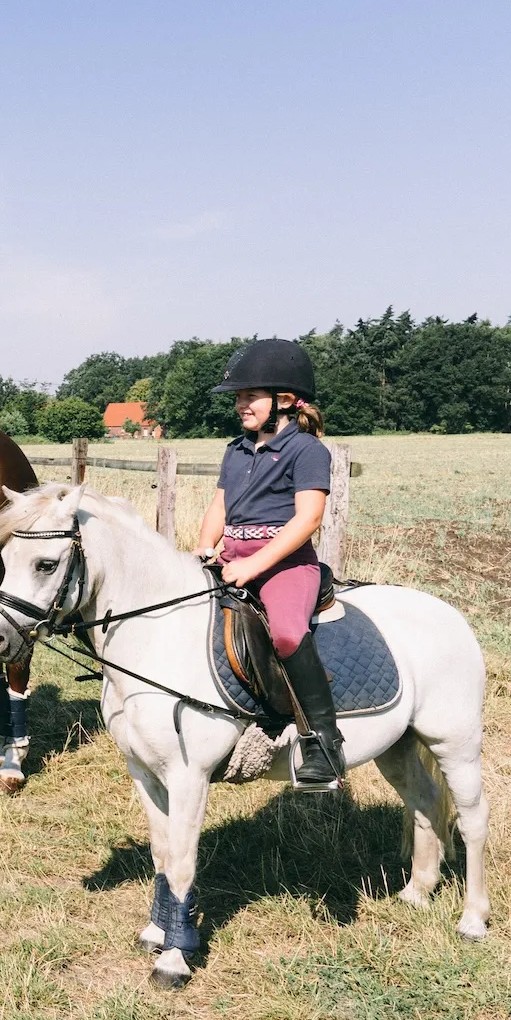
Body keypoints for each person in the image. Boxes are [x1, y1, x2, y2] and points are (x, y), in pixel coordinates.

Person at [192, 338, 343, 791]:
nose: (241, 404)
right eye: (238, 396)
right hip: (232, 560)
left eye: (250, 396)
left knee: (287, 634)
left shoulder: (307, 450)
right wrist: (205, 545)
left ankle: (323, 744)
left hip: (285, 566)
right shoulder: (236, 449)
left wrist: (254, 564)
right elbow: (220, 504)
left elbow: (308, 519)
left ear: (286, 400)